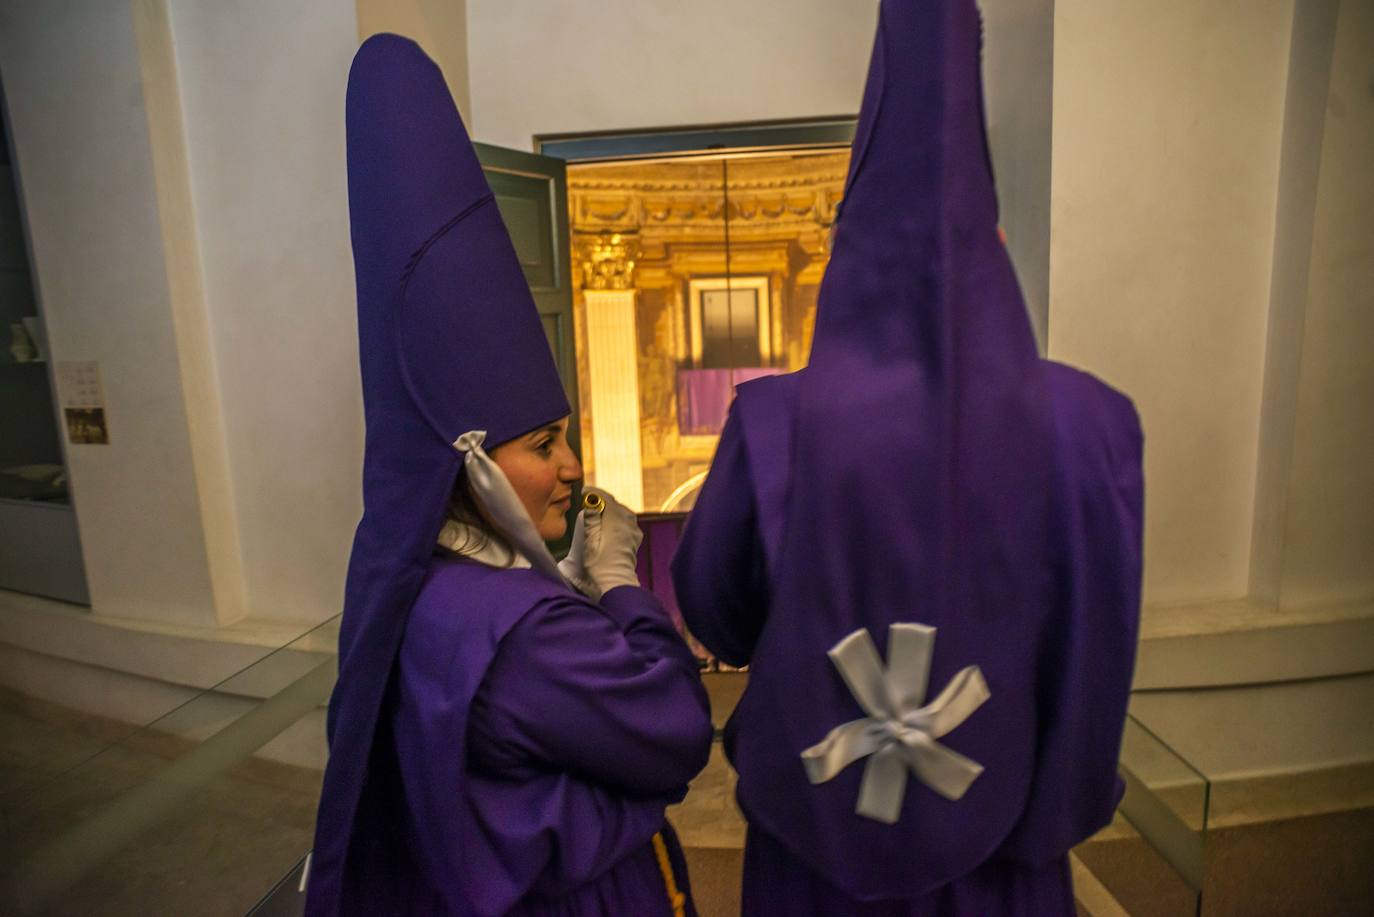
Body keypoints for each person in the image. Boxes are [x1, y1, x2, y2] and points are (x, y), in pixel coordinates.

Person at [672, 1, 1144, 914]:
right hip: (1005, 845)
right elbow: (1096, 655)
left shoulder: (773, 419)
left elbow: (719, 614)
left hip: (816, 853)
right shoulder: (1093, 423)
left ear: (844, 260)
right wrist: (1059, 805)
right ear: (995, 250)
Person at [306, 35, 712, 917]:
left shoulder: (417, 583)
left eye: (567, 437)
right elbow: (679, 729)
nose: (572, 467)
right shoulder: (526, 634)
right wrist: (616, 582)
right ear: (473, 463)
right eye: (542, 445)